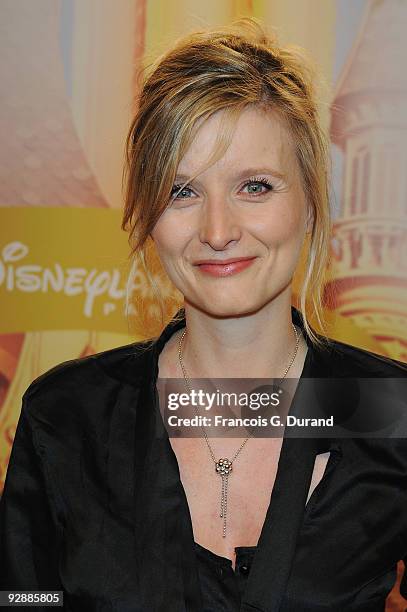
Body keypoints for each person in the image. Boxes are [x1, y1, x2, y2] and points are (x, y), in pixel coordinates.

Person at [1, 16, 407, 612]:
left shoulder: (386, 410)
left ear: (311, 204)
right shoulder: (68, 415)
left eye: (257, 186)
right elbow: (22, 599)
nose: (218, 231)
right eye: (181, 190)